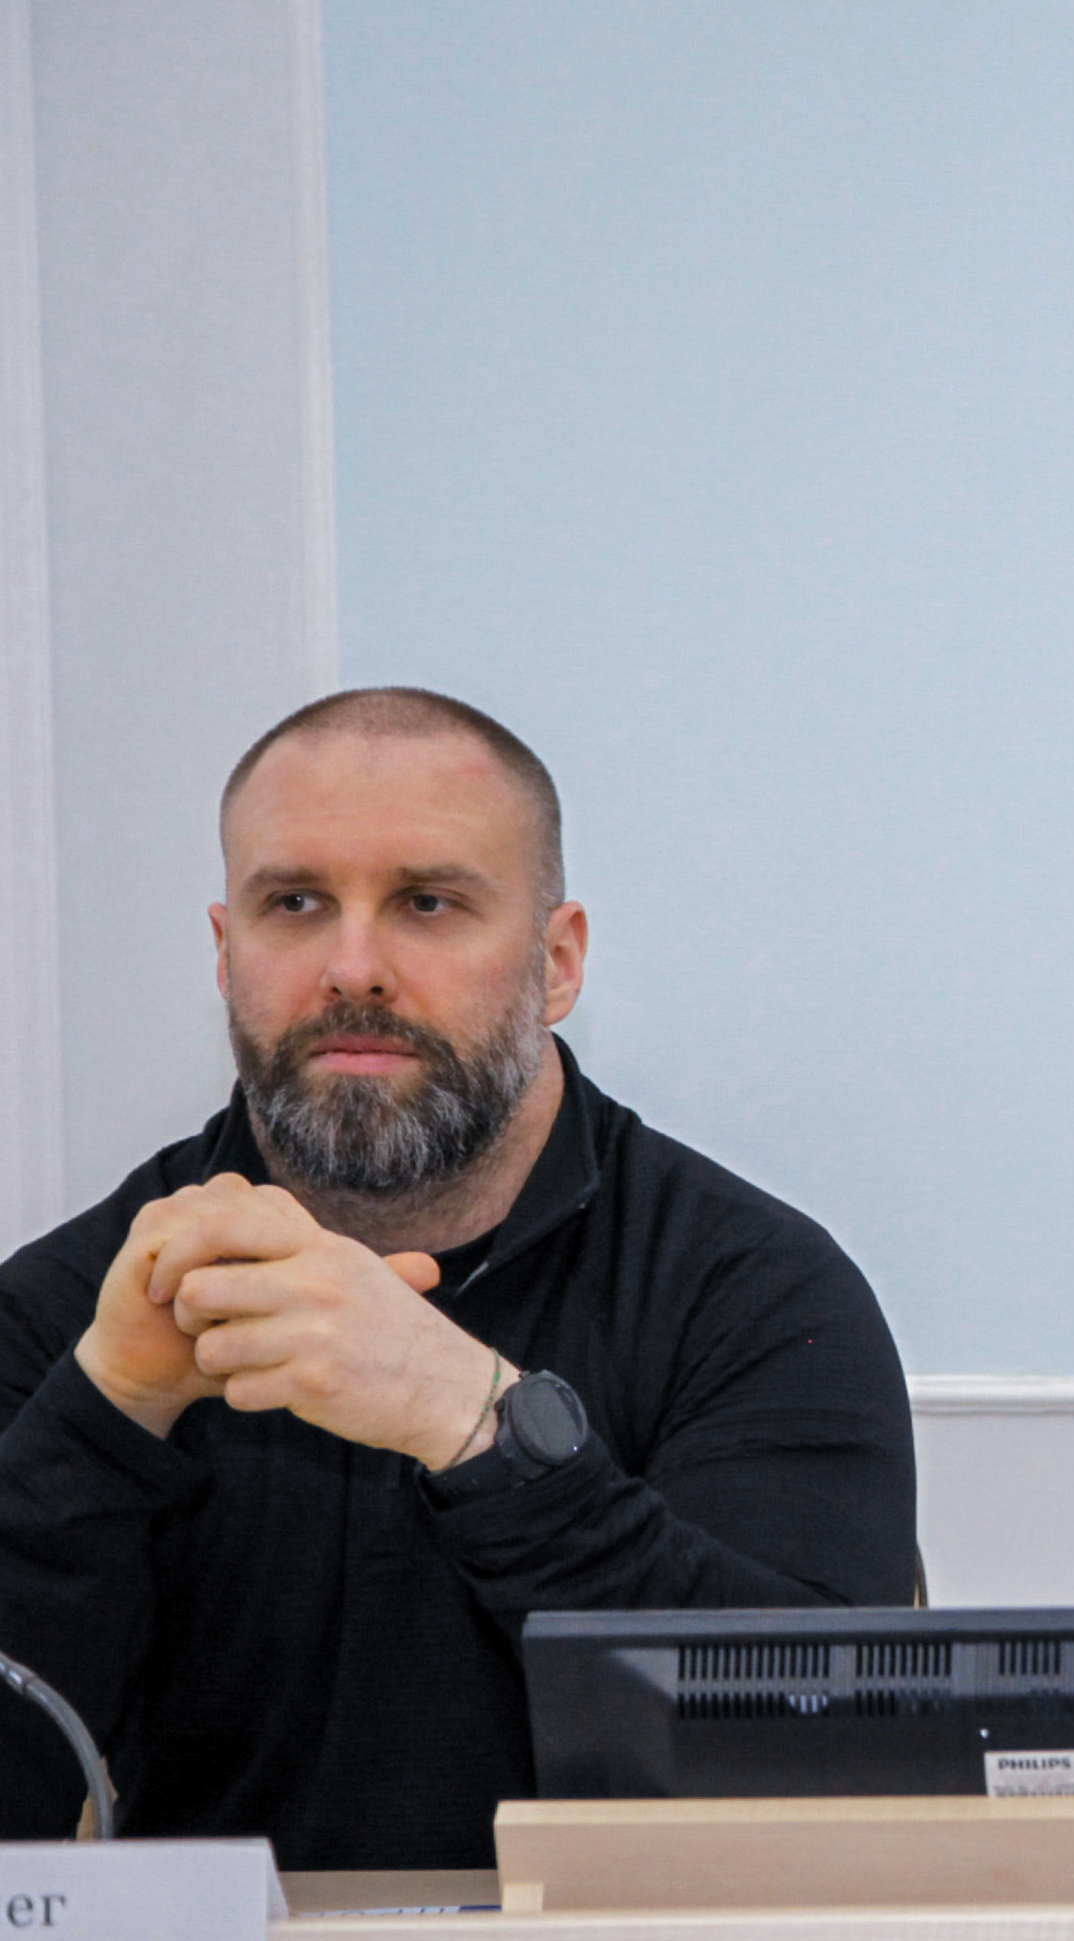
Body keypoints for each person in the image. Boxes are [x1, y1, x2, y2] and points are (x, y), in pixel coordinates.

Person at [0, 688, 917, 1865]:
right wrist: (106, 1417)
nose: (354, 969)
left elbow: (829, 1766)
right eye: (296, 904)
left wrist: (480, 1428)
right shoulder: (76, 1310)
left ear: (557, 961)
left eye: (427, 904)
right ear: (227, 956)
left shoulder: (754, 1297)